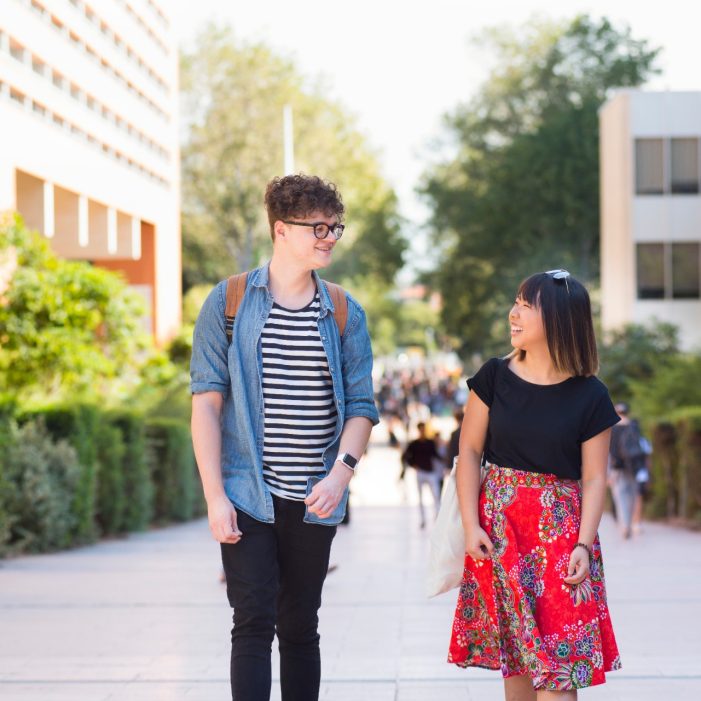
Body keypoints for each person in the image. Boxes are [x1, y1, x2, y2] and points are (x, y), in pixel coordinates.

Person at [190, 174, 379, 701]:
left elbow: (362, 408)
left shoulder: (343, 311)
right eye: (317, 227)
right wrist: (214, 496)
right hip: (247, 493)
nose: (329, 237)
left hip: (315, 496)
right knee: (250, 622)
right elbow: (206, 403)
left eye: (335, 227)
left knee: (300, 627)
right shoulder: (228, 303)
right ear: (280, 230)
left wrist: (341, 474)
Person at [449, 269, 622, 698]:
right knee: (519, 671)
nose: (514, 314)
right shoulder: (493, 377)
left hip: (562, 542)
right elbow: (469, 453)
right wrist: (471, 526)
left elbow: (595, 476)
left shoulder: (591, 395)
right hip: (503, 536)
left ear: (560, 318)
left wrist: (583, 543)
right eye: (516, 303)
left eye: (526, 306)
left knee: (560, 673)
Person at [609, 402, 648, 539]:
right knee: (633, 495)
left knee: (620, 496)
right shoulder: (634, 426)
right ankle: (632, 522)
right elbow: (642, 447)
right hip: (635, 466)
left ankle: (625, 525)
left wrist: (610, 472)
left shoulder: (612, 427)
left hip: (619, 467)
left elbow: (611, 451)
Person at [402, 421, 442, 528]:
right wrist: (413, 465)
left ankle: (437, 517)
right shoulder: (414, 444)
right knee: (420, 497)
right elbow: (405, 456)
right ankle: (423, 519)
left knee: (436, 495)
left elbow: (435, 455)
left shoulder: (430, 442)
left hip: (430, 471)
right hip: (420, 472)